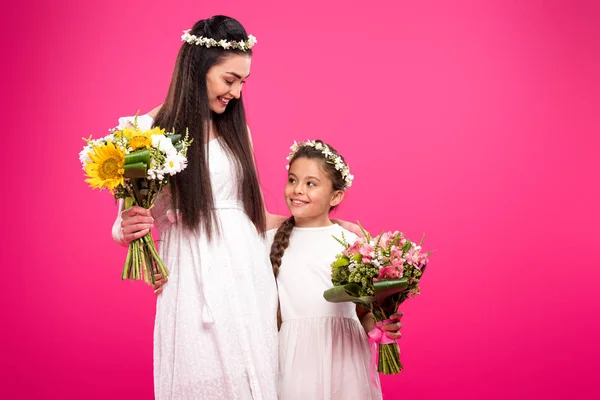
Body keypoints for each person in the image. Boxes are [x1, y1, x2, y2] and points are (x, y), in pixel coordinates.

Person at [112, 16, 279, 400]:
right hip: (191, 274)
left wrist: (319, 226)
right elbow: (121, 227)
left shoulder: (239, 133)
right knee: (200, 373)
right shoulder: (146, 131)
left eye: (242, 83)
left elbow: (250, 213)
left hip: (247, 271)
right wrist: (130, 227)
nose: (235, 93)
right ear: (199, 69)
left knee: (255, 371)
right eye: (229, 80)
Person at [267, 140, 402, 399]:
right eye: (293, 180)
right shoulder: (269, 241)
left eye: (311, 183)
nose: (297, 190)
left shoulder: (353, 244)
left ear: (336, 196)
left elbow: (363, 313)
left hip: (344, 357)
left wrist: (382, 322)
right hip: (295, 359)